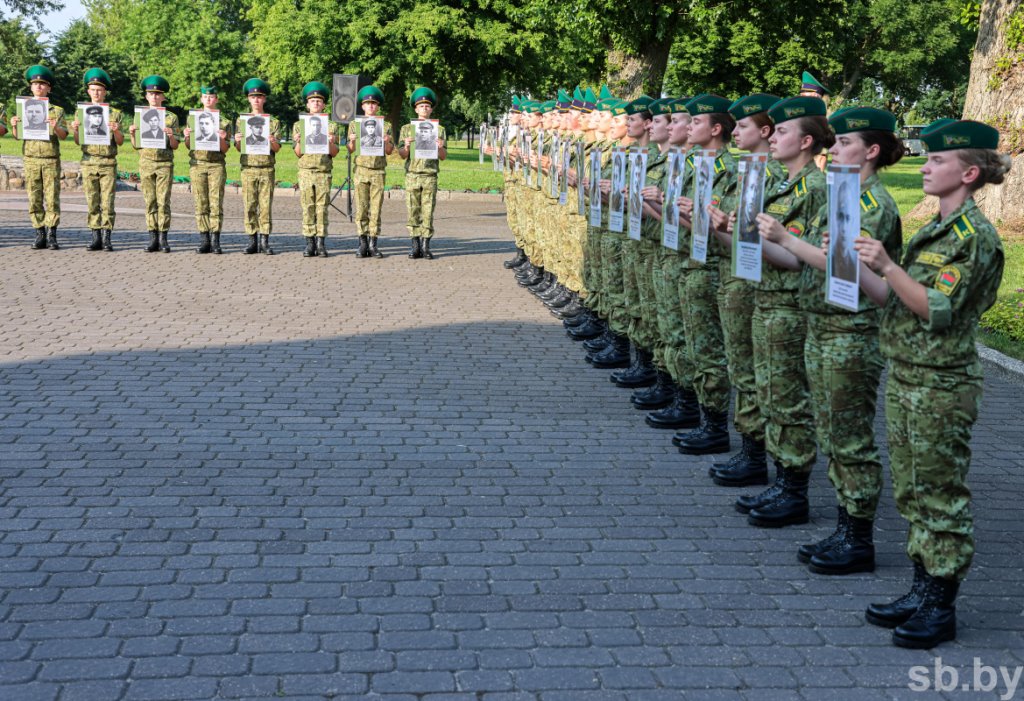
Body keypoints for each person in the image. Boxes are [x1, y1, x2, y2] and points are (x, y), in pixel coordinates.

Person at [851, 119, 1007, 648]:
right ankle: (921, 587)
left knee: (941, 494)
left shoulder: (973, 237)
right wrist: (856, 262)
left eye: (937, 161)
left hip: (942, 382)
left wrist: (890, 266)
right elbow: (890, 299)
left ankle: (941, 604)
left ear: (967, 172)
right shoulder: (934, 228)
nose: (925, 166)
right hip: (908, 374)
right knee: (914, 491)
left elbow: (935, 309)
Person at [755, 106, 903, 575]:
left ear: (871, 151)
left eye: (844, 143)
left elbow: (845, 267)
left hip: (850, 332)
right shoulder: (843, 194)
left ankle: (858, 537)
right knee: (832, 431)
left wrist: (785, 239)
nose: (833, 148)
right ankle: (843, 526)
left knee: (850, 438)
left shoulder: (872, 204)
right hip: (823, 324)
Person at [733, 95, 831, 528]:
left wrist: (769, 237)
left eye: (783, 130)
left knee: (788, 400)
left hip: (791, 305)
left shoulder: (815, 189)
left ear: (806, 141)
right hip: (767, 300)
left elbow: (797, 259)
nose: (774, 137)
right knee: (771, 393)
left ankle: (794, 489)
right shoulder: (777, 183)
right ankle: (779, 477)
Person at [9, 65, 67, 250]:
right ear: (30, 87)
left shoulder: (56, 111)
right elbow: (18, 136)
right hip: (31, 158)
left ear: (49, 88)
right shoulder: (23, 108)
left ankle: (52, 234)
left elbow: (64, 135)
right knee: (34, 197)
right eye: (35, 84)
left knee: (51, 197)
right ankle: (39, 232)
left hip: (50, 158)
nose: (39, 87)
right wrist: (14, 125)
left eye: (43, 84)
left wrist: (56, 126)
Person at [69, 68, 123, 251]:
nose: (96, 93)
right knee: (92, 200)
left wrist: (116, 130)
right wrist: (76, 130)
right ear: (88, 92)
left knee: (108, 201)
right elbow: (78, 141)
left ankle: (107, 237)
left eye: (99, 89)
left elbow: (121, 141)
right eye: (93, 89)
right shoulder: (80, 112)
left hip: (108, 161)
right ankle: (95, 236)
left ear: (105, 92)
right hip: (89, 160)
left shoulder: (114, 114)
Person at [129, 75, 179, 252]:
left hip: (164, 163)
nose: (155, 97)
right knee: (150, 201)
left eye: (158, 94)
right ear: (146, 96)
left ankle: (163, 237)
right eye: (151, 94)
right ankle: (152, 237)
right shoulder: (140, 116)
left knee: (163, 201)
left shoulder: (171, 118)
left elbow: (175, 146)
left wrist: (171, 135)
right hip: (146, 162)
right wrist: (133, 133)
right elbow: (136, 146)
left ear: (163, 97)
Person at [398, 86, 448, 259]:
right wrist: (405, 145)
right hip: (412, 174)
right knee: (413, 210)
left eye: (427, 106)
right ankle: (415, 245)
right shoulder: (407, 129)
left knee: (427, 211)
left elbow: (443, 157)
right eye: (421, 106)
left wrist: (440, 147)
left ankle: (426, 245)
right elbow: (402, 155)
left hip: (430, 175)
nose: (424, 109)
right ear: (415, 109)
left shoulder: (439, 130)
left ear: (431, 109)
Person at [293, 80, 341, 257]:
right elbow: (298, 153)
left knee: (322, 208)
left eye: (319, 101)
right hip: (306, 171)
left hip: (323, 171)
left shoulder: (332, 126)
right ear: (307, 104)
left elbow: (335, 152)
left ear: (323, 105)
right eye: (312, 101)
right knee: (308, 207)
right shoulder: (299, 126)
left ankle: (321, 242)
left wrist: (329, 142)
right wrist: (298, 142)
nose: (316, 103)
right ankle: (309, 243)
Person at [234, 78, 281, 255]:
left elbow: (277, 149)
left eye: (260, 97)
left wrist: (272, 141)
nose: (256, 100)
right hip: (248, 168)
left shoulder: (273, 122)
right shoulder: (242, 121)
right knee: (249, 205)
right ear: (248, 99)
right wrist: (238, 141)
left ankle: (265, 240)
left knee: (265, 205)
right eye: (253, 97)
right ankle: (252, 240)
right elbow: (239, 149)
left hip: (266, 168)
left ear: (265, 99)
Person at [347, 85, 394, 258]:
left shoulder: (385, 126)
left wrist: (387, 141)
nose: (371, 106)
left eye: (374, 104)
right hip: (361, 170)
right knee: (361, 208)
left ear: (378, 106)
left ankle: (374, 243)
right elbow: (350, 149)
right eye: (368, 104)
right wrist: (351, 141)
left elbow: (389, 151)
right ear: (363, 106)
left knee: (375, 209)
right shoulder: (355, 125)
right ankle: (362, 243)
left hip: (378, 171)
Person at [182, 86, 230, 254]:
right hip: (197, 164)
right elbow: (189, 145)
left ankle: (215, 239)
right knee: (200, 202)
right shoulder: (192, 119)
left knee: (216, 203)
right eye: (205, 96)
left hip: (216, 165)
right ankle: (204, 239)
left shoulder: (223, 121)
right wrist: (187, 137)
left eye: (211, 97)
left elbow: (225, 149)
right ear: (201, 99)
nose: (208, 99)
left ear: (216, 99)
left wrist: (223, 139)